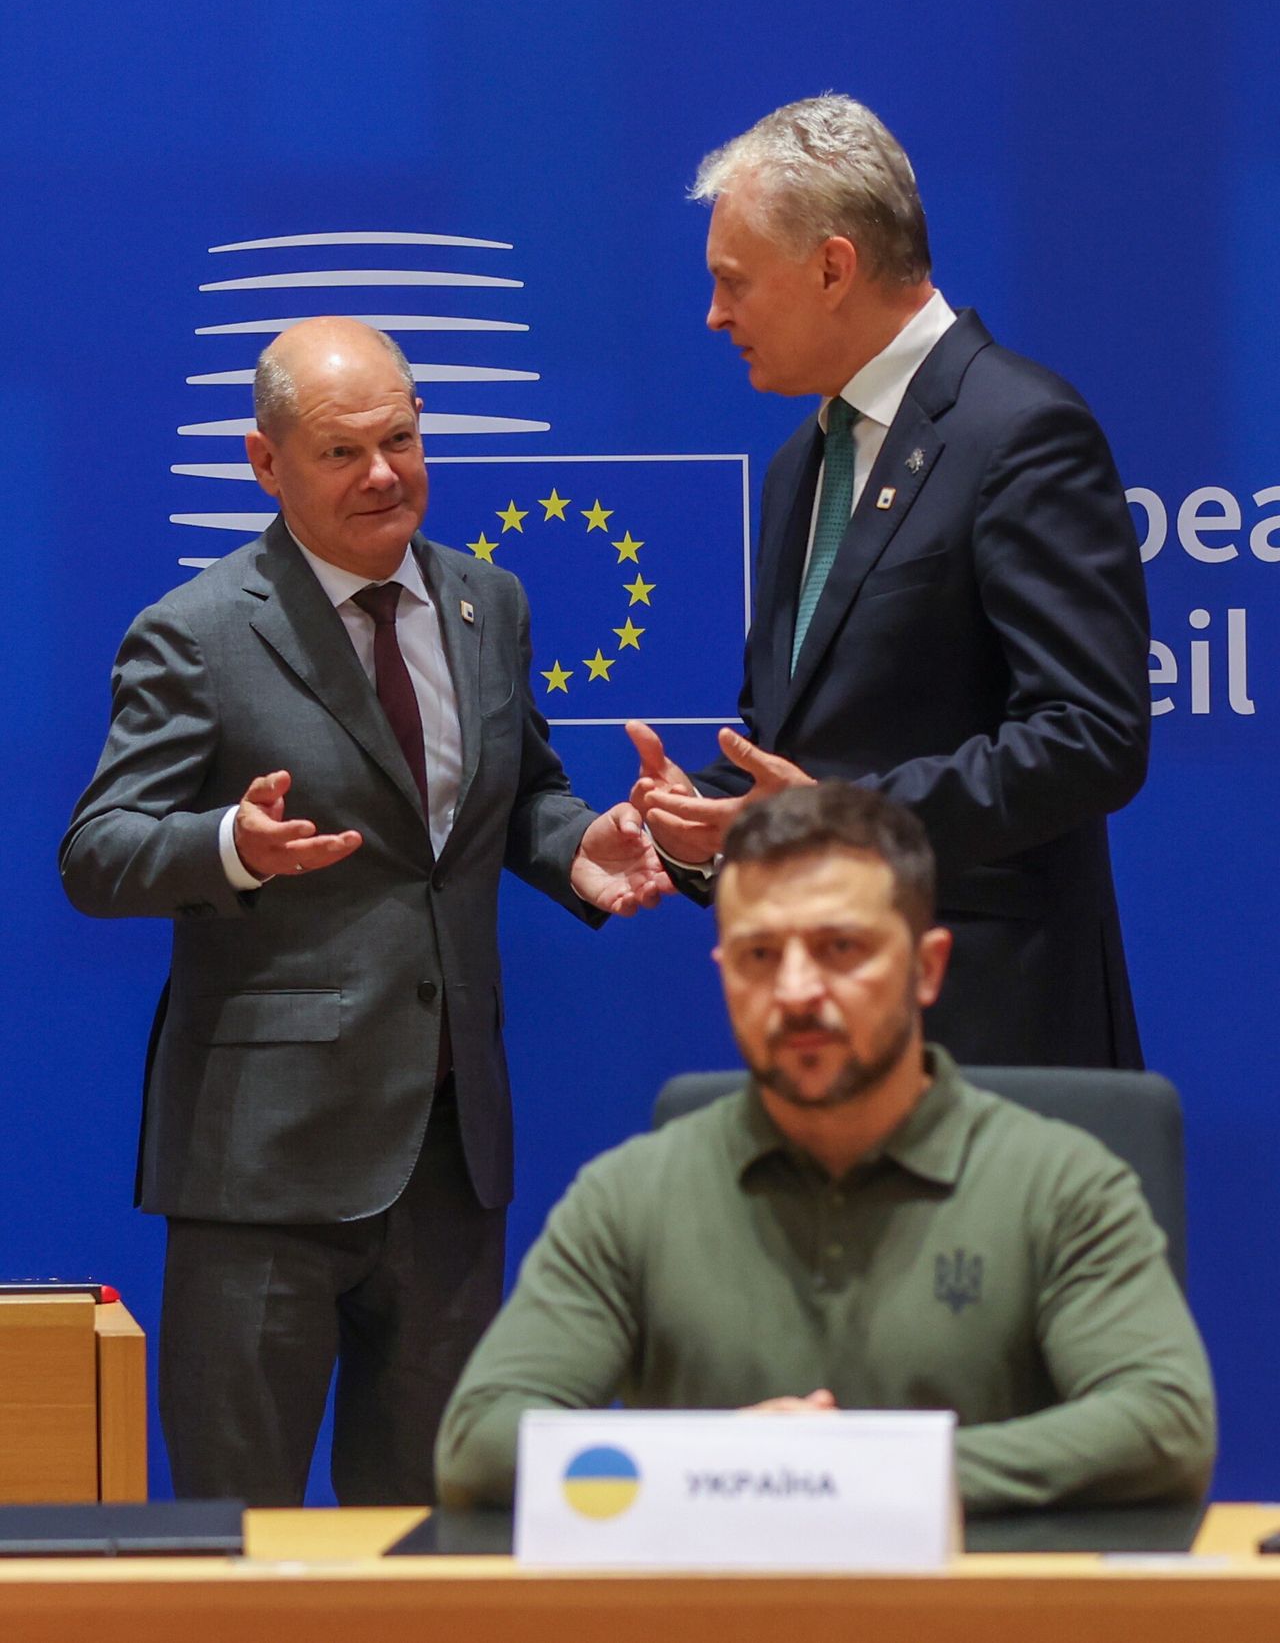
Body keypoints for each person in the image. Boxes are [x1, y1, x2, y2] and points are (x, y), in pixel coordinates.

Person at [60, 316, 669, 1506]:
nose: (384, 474)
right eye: (343, 453)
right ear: (263, 462)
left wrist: (581, 848)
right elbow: (97, 855)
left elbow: (520, 795)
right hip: (261, 1169)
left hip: (449, 1156)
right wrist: (233, 843)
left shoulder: (487, 602)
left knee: (430, 1543)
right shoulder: (196, 633)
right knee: (242, 1547)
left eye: (401, 439)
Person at [436, 782, 1215, 1515]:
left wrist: (862, 1476)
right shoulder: (630, 1195)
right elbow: (480, 1441)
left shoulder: (1061, 1184)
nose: (799, 989)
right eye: (760, 955)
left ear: (927, 967)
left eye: (841, 948)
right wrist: (729, 1464)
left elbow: (1163, 1422)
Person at [628, 94, 1151, 1068]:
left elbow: (1092, 739)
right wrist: (695, 825)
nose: (713, 315)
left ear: (831, 267)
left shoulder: (1018, 430)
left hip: (995, 1042)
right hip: (822, 1046)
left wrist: (842, 825)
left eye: (732, 282)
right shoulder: (799, 464)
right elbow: (796, 748)